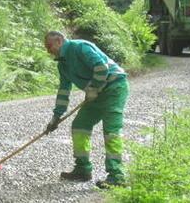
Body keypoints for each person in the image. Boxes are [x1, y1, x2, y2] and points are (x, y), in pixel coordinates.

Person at [43, 31, 129, 189]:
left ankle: (117, 175)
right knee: (80, 126)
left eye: (49, 46)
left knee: (111, 130)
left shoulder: (80, 47)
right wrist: (56, 117)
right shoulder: (63, 64)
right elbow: (63, 91)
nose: (49, 51)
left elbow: (101, 67)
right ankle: (83, 169)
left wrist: (94, 88)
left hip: (114, 87)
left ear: (59, 41)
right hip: (95, 94)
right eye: (47, 49)